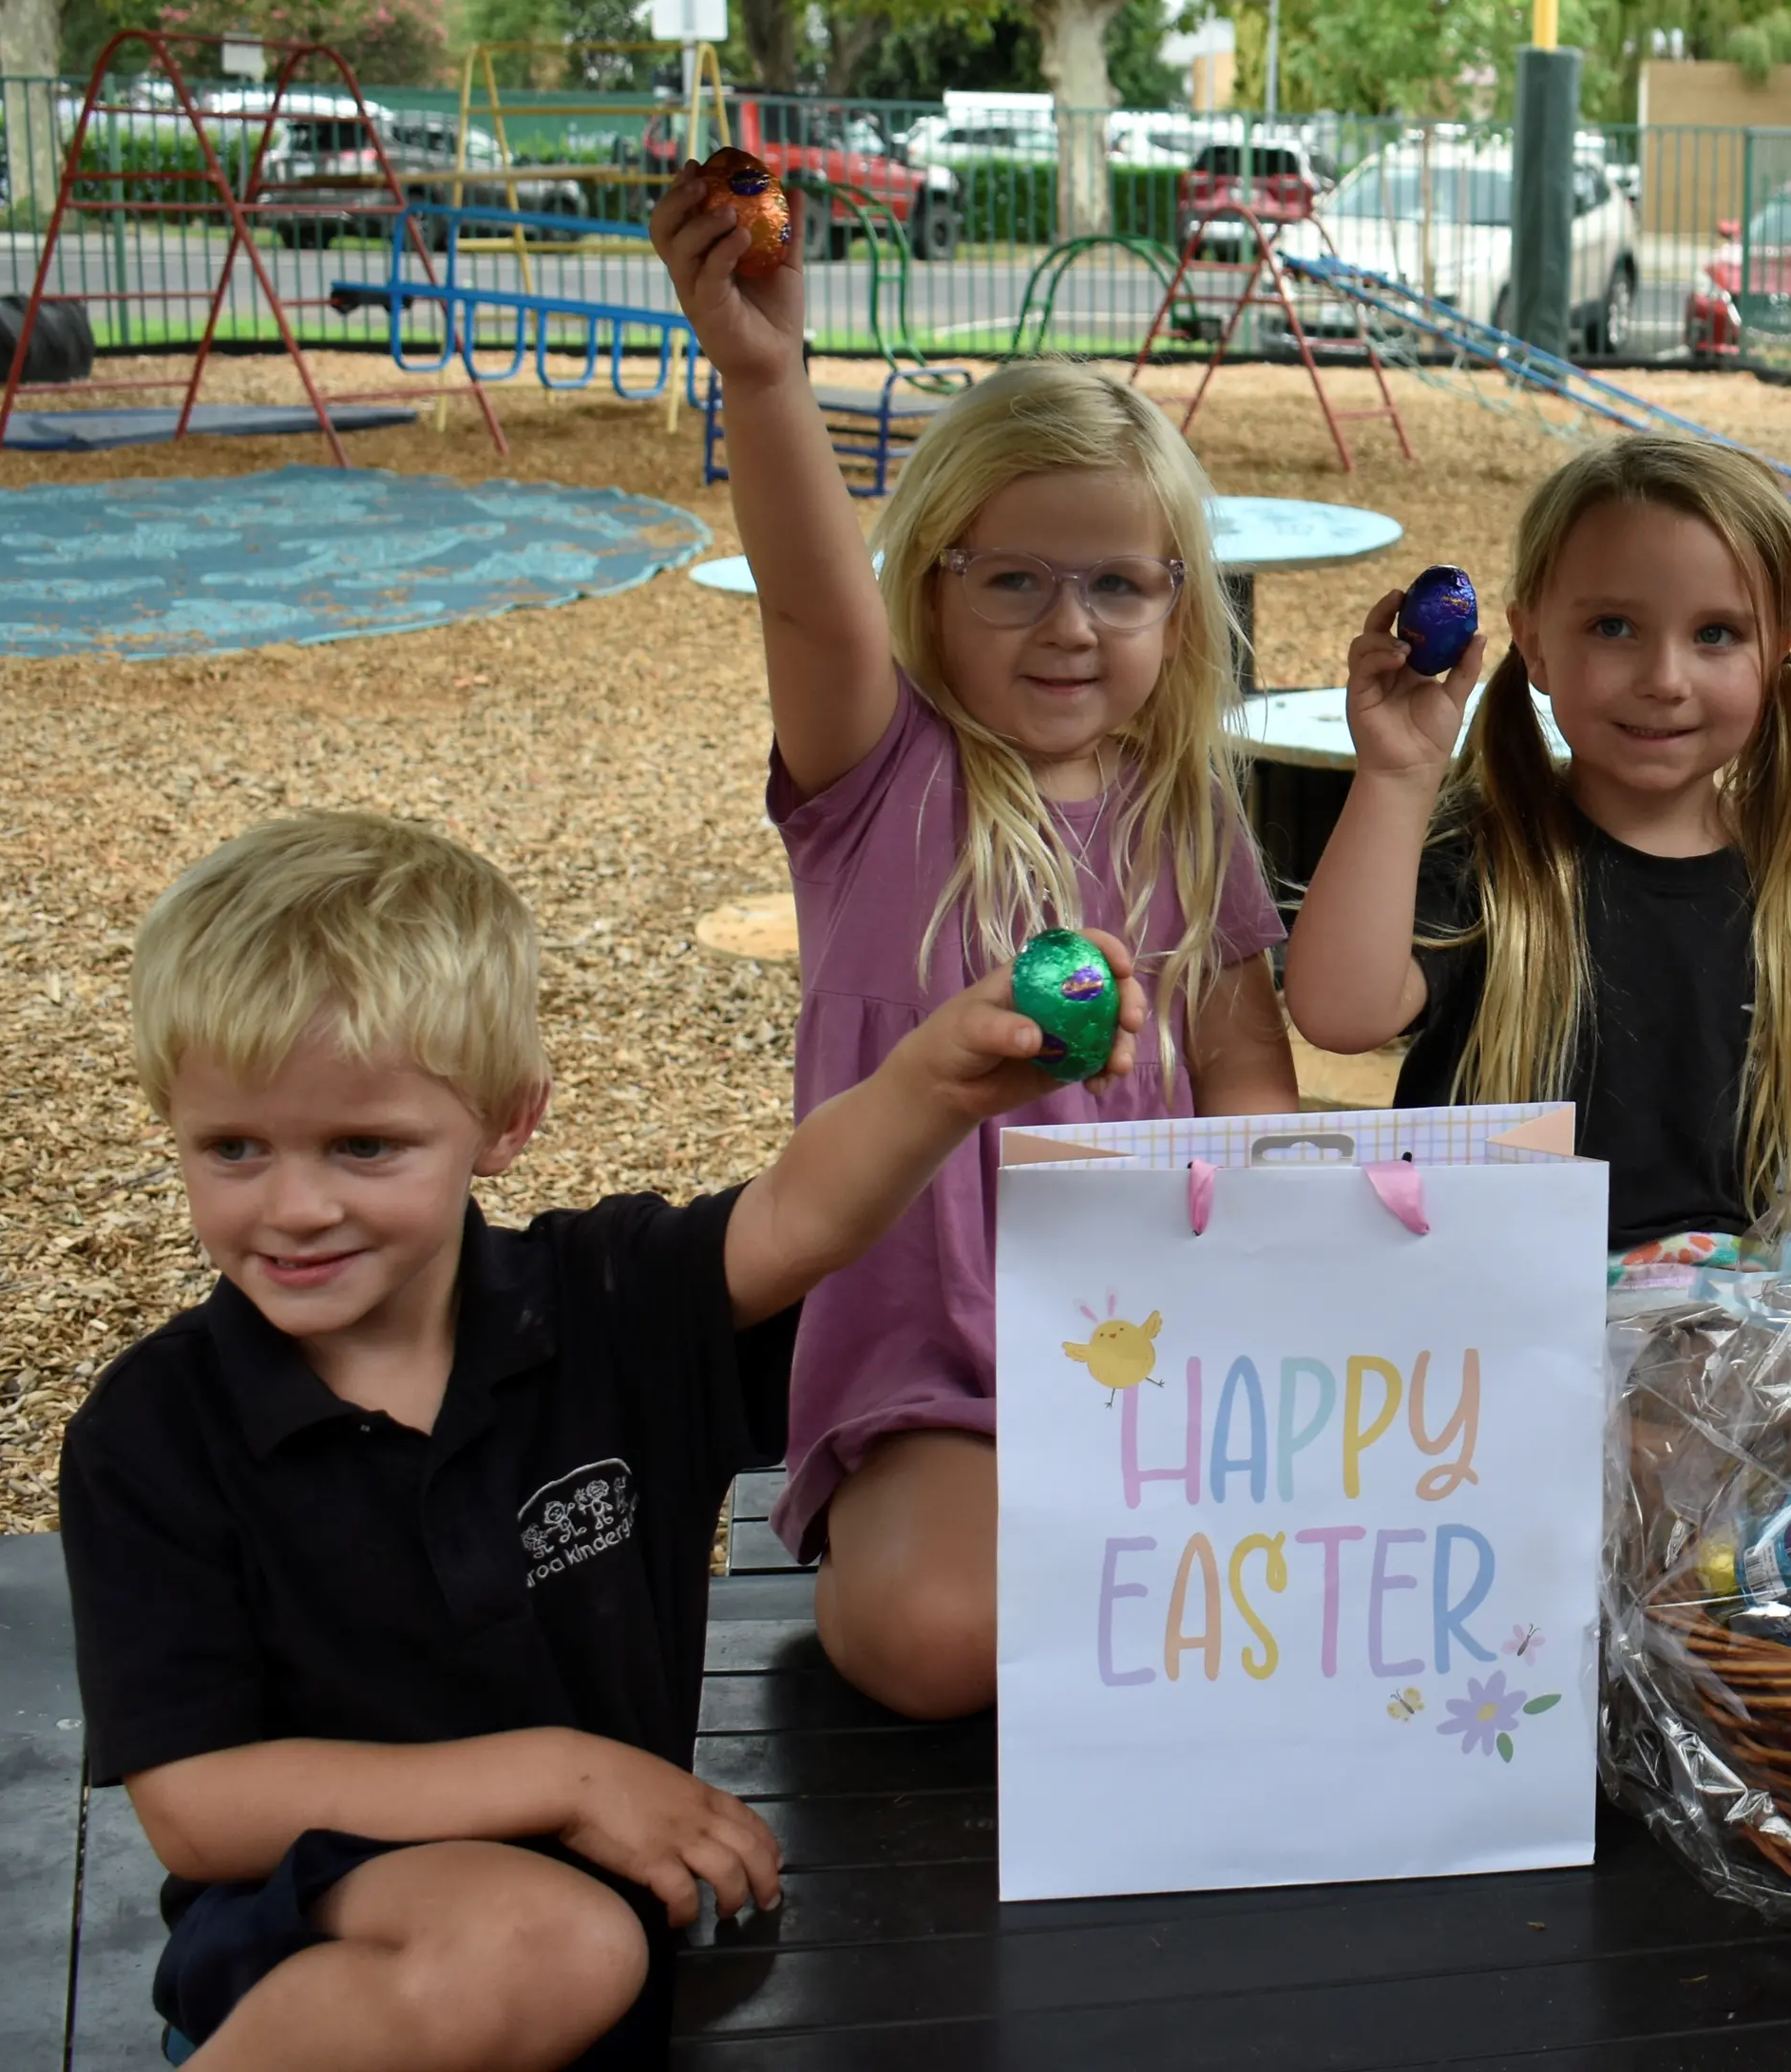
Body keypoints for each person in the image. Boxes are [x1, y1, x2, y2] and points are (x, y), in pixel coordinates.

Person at [60, 811, 1133, 2068]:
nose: (296, 1206)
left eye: (365, 1146)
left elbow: (796, 1214)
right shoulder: (157, 1432)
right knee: (555, 1941)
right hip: (321, 1933)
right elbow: (197, 1808)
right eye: (232, 1149)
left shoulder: (601, 1310)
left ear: (508, 1120)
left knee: (580, 1947)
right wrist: (568, 1777)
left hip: (607, 1920)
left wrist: (933, 1084)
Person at [652, 168, 1296, 1721]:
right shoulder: (879, 777)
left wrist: (1286, 1251)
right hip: (932, 1373)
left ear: (1176, 607)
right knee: (939, 1640)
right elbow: (811, 610)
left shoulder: (1186, 809)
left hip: (1164, 1360)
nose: (1067, 627)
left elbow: (1247, 1069)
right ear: (930, 589)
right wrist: (764, 379)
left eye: (1116, 586)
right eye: (1013, 579)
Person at [1283, 434, 1791, 1311]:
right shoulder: (1490, 855)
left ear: (1779, 650)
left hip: (1737, 1378)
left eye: (1716, 634)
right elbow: (1340, 1014)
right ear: (1532, 640)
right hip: (1490, 1350)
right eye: (1614, 628)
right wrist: (1396, 776)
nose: (1664, 678)